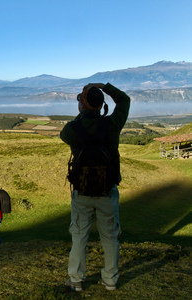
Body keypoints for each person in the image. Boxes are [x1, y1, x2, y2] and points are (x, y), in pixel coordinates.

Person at [60, 83, 130, 292]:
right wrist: (104, 87)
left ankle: (76, 280)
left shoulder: (73, 129)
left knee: (79, 236)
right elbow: (124, 100)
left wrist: (81, 113)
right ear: (101, 105)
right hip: (107, 191)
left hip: (81, 192)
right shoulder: (112, 124)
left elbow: (65, 135)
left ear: (82, 105)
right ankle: (110, 280)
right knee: (110, 237)